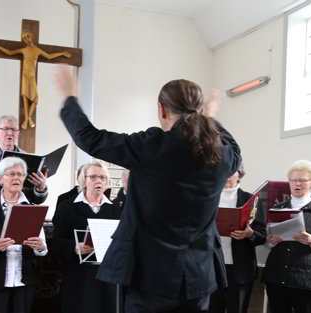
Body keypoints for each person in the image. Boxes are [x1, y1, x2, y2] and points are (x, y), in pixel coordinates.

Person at [54, 67, 241, 313]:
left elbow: (91, 139)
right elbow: (236, 150)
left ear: (162, 110)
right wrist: (209, 117)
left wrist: (69, 97)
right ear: (200, 112)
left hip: (151, 275)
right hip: (200, 274)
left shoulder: (153, 146)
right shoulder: (223, 154)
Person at [0, 156, 48, 313]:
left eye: (20, 174)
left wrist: (40, 247)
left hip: (24, 279)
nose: (17, 178)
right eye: (11, 174)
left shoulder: (32, 208)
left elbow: (43, 247)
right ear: (0, 179)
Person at [262, 160, 311, 313]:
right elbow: (267, 244)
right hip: (277, 277)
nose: (297, 183)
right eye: (293, 180)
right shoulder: (277, 208)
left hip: (307, 281)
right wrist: (271, 242)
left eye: (302, 180)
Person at [52, 161, 122, 313]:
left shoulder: (115, 209)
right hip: (79, 275)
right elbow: (57, 242)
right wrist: (73, 247)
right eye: (93, 177)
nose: (99, 181)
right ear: (83, 181)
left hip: (107, 276)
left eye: (102, 178)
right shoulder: (67, 206)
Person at [209, 164, 266, 313]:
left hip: (240, 268)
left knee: (238, 309)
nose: (226, 177)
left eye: (231, 173)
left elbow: (262, 235)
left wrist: (250, 234)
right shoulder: (209, 198)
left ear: (239, 175)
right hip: (212, 266)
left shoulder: (250, 200)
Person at [0, 32, 72, 129]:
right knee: (24, 95)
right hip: (25, 74)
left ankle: (28, 118)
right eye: (24, 38)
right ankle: (27, 119)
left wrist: (62, 53)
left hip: (32, 75)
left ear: (32, 37)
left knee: (36, 97)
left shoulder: (37, 50)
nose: (27, 39)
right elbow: (9, 52)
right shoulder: (23, 50)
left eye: (28, 37)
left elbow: (49, 56)